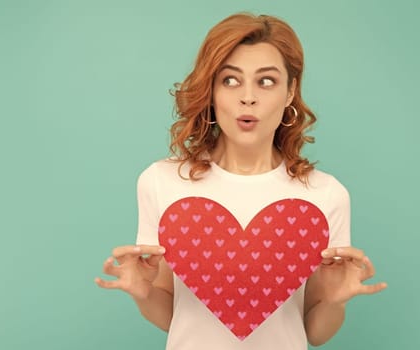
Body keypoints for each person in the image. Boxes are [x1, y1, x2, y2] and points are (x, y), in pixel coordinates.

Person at [94, 12, 387, 349]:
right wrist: (142, 292)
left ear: (290, 91)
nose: (248, 97)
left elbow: (314, 333)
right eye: (230, 80)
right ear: (212, 91)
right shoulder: (162, 182)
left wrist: (336, 302)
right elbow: (173, 316)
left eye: (266, 81)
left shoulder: (324, 195)